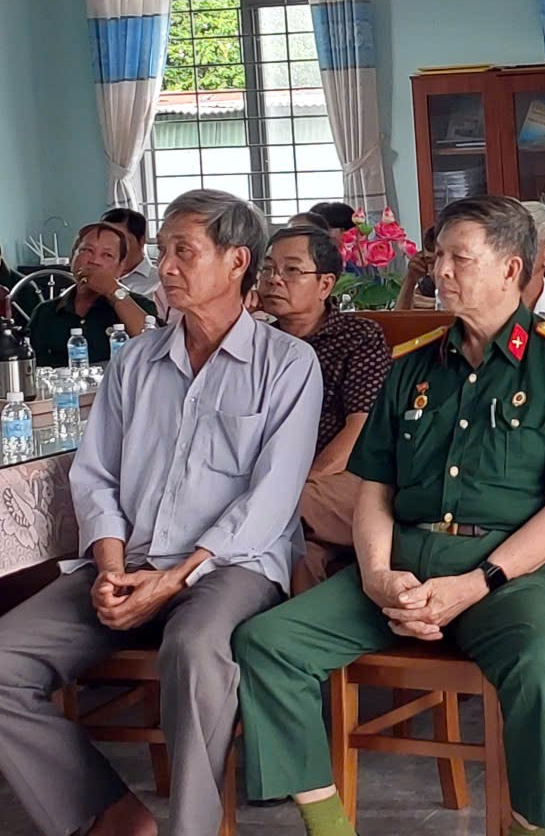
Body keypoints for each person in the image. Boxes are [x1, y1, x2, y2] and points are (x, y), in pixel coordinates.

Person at [232, 195, 545, 836]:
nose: (440, 272)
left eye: (459, 259)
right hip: (403, 567)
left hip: (506, 577)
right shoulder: (411, 365)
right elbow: (374, 491)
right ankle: (328, 825)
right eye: (439, 257)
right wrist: (379, 575)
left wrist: (474, 584)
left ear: (510, 269)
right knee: (267, 644)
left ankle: (532, 827)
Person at [0, 189, 322, 836]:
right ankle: (106, 813)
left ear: (236, 262)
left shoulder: (287, 365)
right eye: (162, 251)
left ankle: (192, 830)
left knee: (196, 647)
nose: (164, 267)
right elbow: (96, 477)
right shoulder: (137, 363)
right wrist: (114, 569)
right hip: (129, 560)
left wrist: (172, 582)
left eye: (183, 252)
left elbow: (270, 499)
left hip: (231, 568)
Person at [256, 225, 392, 593]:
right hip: (273, 479)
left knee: (283, 506)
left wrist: (298, 481)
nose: (273, 280)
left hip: (345, 477)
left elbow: (359, 430)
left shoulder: (358, 338)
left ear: (325, 284)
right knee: (301, 551)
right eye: (267, 269)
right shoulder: (255, 341)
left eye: (291, 270)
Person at [25, 223, 157, 366]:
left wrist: (113, 291)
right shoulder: (45, 312)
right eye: (87, 250)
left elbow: (154, 348)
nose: (94, 261)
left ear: (120, 268)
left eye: (107, 255)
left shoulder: (140, 305)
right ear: (72, 258)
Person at [101, 207, 161, 300]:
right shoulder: (93, 276)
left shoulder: (159, 283)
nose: (113, 248)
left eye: (121, 240)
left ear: (141, 241)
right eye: (106, 241)